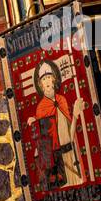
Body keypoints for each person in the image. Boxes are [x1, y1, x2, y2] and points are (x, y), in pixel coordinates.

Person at [28, 60, 86, 190]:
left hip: (70, 156)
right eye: (44, 79)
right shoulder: (41, 108)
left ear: (54, 79)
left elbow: (71, 137)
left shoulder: (62, 100)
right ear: (40, 84)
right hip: (57, 162)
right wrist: (35, 123)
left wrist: (75, 115)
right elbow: (43, 146)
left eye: (49, 77)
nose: (47, 81)